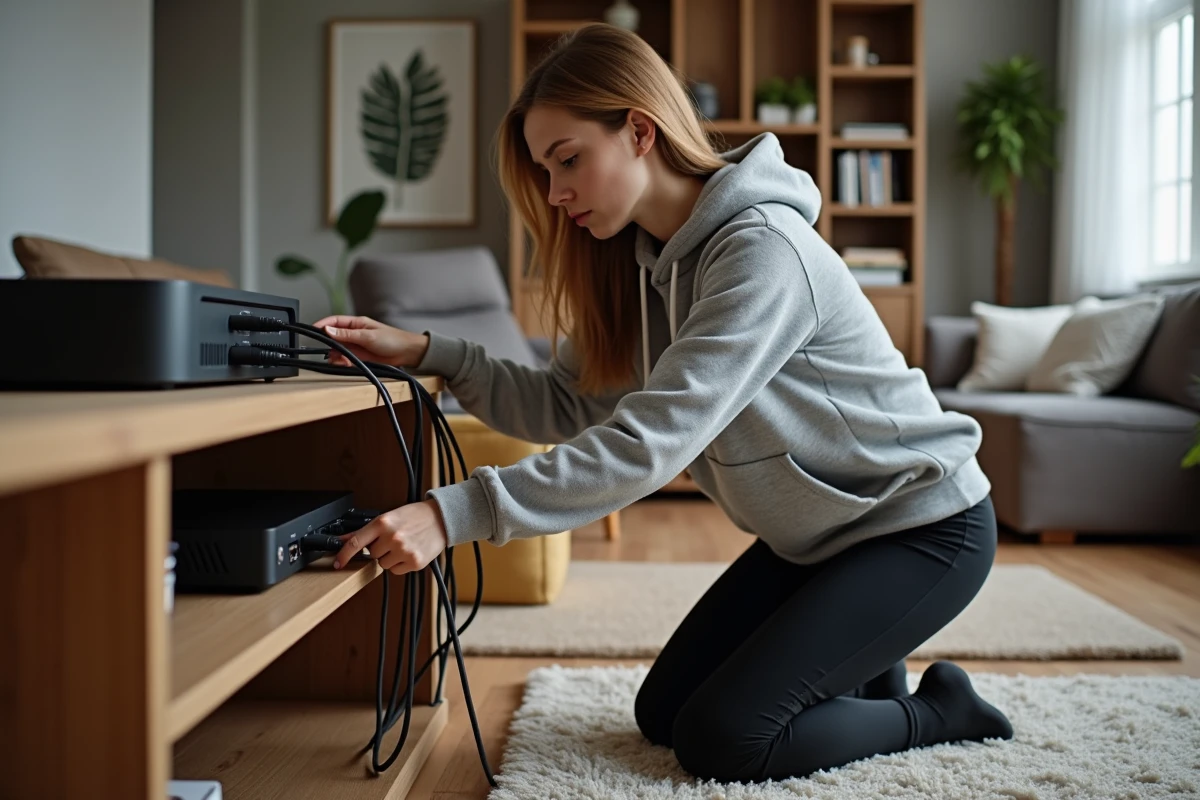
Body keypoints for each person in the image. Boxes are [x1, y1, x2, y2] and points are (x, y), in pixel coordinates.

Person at [315, 22, 1013, 784]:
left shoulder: (762, 251)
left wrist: (453, 514)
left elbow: (651, 442)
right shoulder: (637, 264)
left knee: (724, 740)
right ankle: (864, 672)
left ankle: (942, 710)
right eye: (547, 173)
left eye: (568, 161)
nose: (556, 194)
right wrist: (429, 354)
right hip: (815, 541)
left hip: (920, 528)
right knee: (664, 714)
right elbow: (562, 404)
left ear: (640, 130)